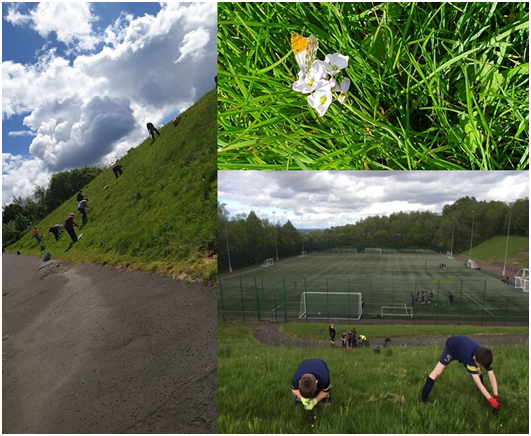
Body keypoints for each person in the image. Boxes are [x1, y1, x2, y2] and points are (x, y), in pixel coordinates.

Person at [421, 336, 501, 412]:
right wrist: (490, 399)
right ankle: (423, 398)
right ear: (474, 358)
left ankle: (480, 392)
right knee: (437, 372)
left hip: (464, 348)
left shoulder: (485, 356)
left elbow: (491, 375)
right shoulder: (470, 359)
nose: (483, 368)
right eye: (481, 365)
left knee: (478, 369)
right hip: (452, 347)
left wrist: (496, 395)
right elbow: (478, 382)